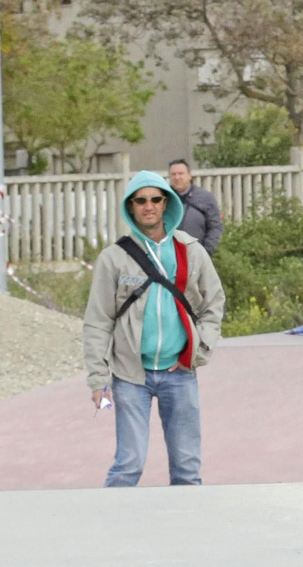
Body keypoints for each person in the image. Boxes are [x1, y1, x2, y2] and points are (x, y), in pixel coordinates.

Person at [84, 170, 226, 487]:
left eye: (155, 199)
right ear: (130, 206)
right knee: (129, 465)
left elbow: (214, 303)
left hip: (180, 373)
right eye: (140, 201)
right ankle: (110, 518)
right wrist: (98, 379)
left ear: (166, 203)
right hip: (130, 375)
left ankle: (185, 519)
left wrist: (198, 352)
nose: (148, 206)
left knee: (187, 468)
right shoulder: (113, 258)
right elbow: (98, 321)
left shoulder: (191, 251)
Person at [167, 159, 223, 255]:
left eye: (180, 173)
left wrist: (206, 251)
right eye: (173, 174)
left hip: (197, 253)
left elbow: (215, 227)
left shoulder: (205, 197)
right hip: (170, 254)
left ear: (189, 175)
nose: (177, 177)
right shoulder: (163, 198)